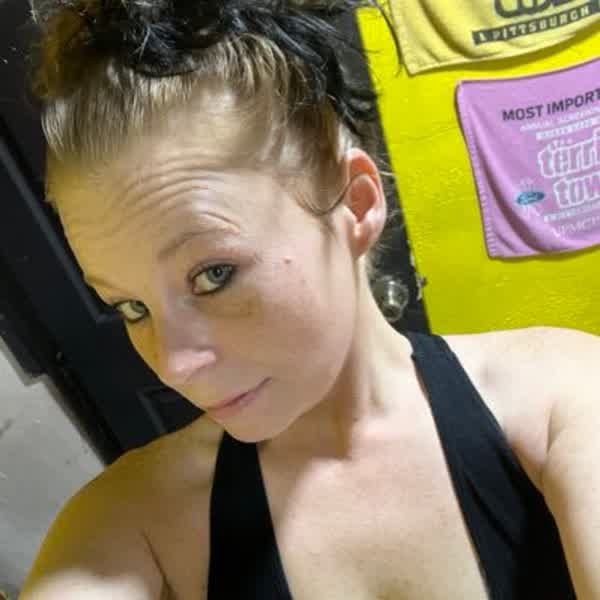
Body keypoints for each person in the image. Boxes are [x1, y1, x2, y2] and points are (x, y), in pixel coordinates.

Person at [19, 1, 600, 598]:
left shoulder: (559, 401)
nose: (173, 365)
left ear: (355, 203)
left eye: (214, 274)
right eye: (131, 307)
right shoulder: (133, 526)